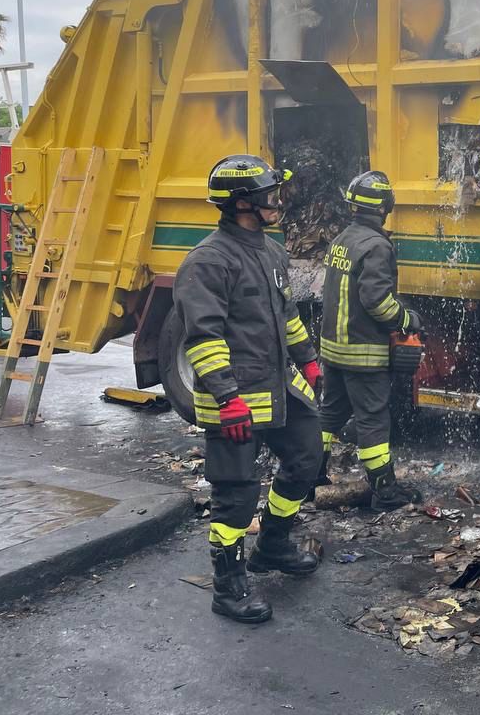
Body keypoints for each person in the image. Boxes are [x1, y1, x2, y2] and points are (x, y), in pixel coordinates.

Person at [174, 154, 325, 624]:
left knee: (307, 457)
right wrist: (227, 398)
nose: (277, 202)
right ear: (241, 203)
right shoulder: (208, 262)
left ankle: (273, 544)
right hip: (235, 401)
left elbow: (288, 315)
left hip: (278, 388)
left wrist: (309, 360)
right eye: (268, 196)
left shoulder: (271, 251)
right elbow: (202, 338)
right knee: (237, 495)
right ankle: (228, 586)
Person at [317, 170, 423, 511]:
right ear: (384, 206)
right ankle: (385, 492)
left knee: (329, 416)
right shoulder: (377, 246)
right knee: (373, 421)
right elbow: (376, 301)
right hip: (362, 355)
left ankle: (308, 477)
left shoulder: (342, 239)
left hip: (334, 350)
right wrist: (406, 320)